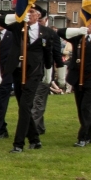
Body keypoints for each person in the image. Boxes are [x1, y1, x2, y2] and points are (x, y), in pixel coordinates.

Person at [0, 8, 54, 153]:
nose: (29, 14)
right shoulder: (18, 27)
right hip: (17, 70)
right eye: (27, 11)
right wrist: (17, 16)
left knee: (24, 106)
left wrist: (48, 73)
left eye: (32, 12)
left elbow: (48, 54)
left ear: (38, 15)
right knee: (24, 106)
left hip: (33, 72)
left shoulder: (46, 32)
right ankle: (35, 139)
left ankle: (18, 144)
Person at [31, 8, 65, 136]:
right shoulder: (26, 31)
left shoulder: (50, 33)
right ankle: (39, 127)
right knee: (32, 102)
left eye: (40, 20)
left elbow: (56, 54)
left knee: (38, 101)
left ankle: (32, 129)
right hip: (29, 72)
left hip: (44, 71)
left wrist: (61, 77)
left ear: (45, 20)